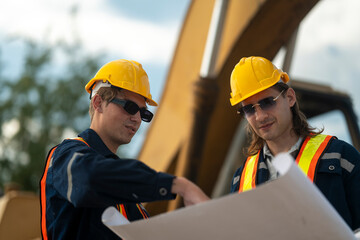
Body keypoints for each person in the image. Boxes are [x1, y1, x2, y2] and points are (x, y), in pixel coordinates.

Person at [40, 59, 209, 239]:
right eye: (130, 107)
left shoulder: (124, 189)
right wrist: (178, 185)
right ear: (98, 102)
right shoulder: (64, 156)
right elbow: (90, 178)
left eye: (144, 113)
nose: (137, 118)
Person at [228, 56, 360, 231]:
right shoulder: (241, 178)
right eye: (249, 109)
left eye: (267, 102)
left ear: (290, 98)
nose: (260, 116)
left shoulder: (341, 158)